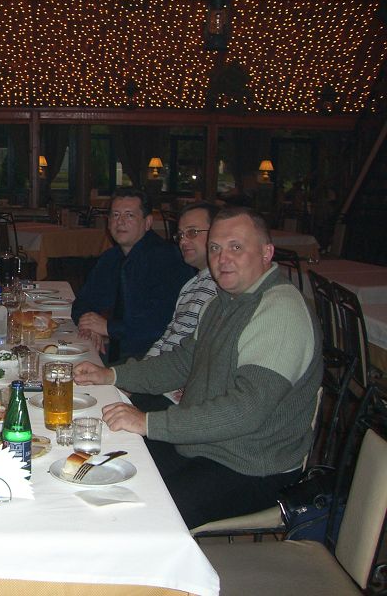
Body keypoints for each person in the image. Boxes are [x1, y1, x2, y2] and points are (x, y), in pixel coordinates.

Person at [74, 207, 322, 529]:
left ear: (266, 253)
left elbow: (245, 411)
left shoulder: (279, 312)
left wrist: (148, 422)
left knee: (136, 516)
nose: (222, 258)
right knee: (102, 464)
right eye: (215, 248)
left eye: (236, 247)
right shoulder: (222, 302)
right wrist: (112, 375)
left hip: (251, 465)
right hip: (203, 445)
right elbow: (182, 362)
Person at [71, 190, 194, 364]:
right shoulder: (111, 258)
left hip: (157, 359)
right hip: (119, 351)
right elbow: (84, 301)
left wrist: (108, 327)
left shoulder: (166, 259)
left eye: (129, 215)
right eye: (115, 215)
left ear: (148, 222)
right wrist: (89, 325)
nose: (120, 221)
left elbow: (162, 324)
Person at [132, 202, 220, 412]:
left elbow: (204, 358)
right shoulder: (192, 284)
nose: (183, 241)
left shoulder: (222, 288)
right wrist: (138, 378)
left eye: (192, 232)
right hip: (159, 383)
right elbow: (167, 338)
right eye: (180, 235)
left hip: (178, 398)